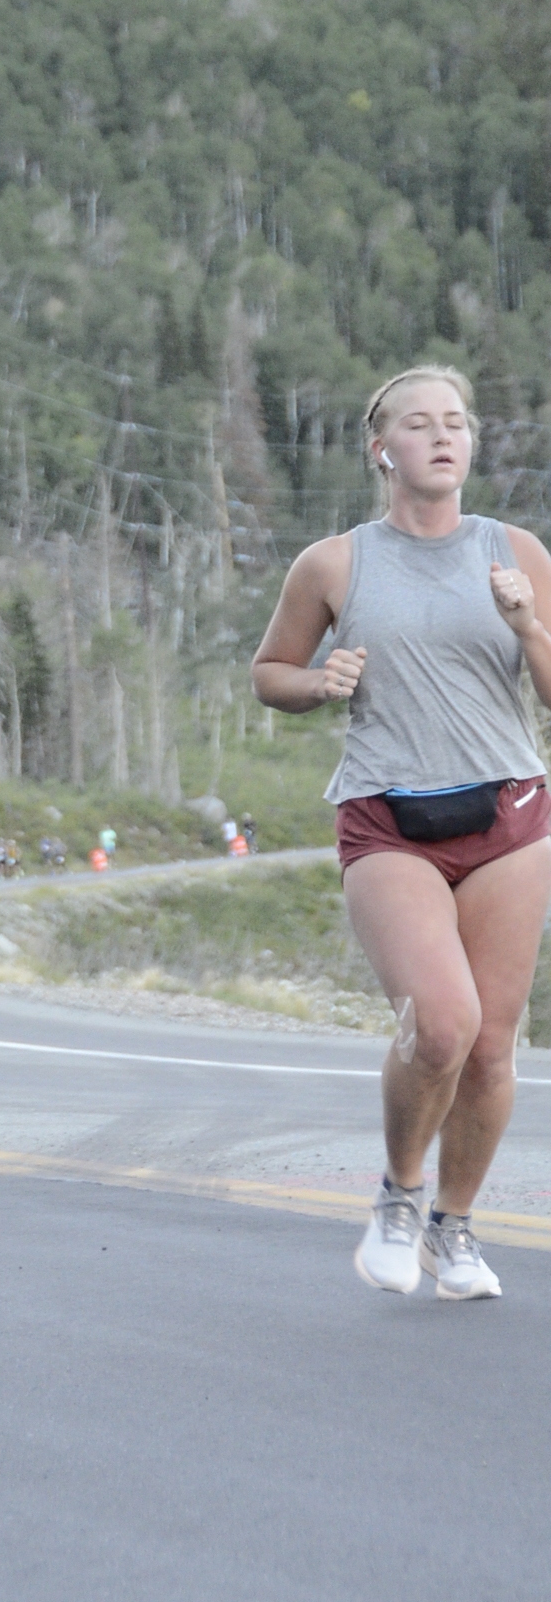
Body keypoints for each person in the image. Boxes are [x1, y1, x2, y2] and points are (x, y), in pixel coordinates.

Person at [253, 364, 551, 1302]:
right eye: (420, 424)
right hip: (389, 817)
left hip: (510, 812)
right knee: (440, 1026)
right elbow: (270, 671)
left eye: (456, 422)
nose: (443, 436)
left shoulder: (514, 551)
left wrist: (529, 626)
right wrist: (317, 683)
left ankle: (453, 1229)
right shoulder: (335, 564)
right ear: (382, 449)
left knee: (493, 1046)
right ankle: (399, 1194)